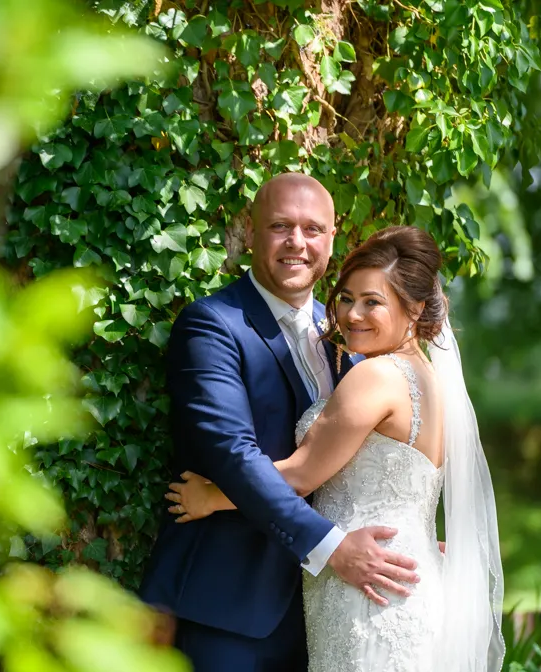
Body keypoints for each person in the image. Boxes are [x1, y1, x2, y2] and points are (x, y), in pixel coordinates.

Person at [168, 225, 505, 671]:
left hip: (366, 588)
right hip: (408, 577)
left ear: (415, 309)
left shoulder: (376, 375)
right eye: (346, 298)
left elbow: (301, 472)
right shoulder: (433, 382)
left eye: (373, 302)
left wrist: (211, 497)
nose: (351, 315)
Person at [137, 173, 421, 672]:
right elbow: (230, 455)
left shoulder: (348, 335)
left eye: (313, 229)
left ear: (333, 237)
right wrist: (330, 548)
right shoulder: (212, 324)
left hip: (330, 610)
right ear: (249, 233)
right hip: (228, 606)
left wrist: (410, 533)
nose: (297, 242)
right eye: (279, 226)